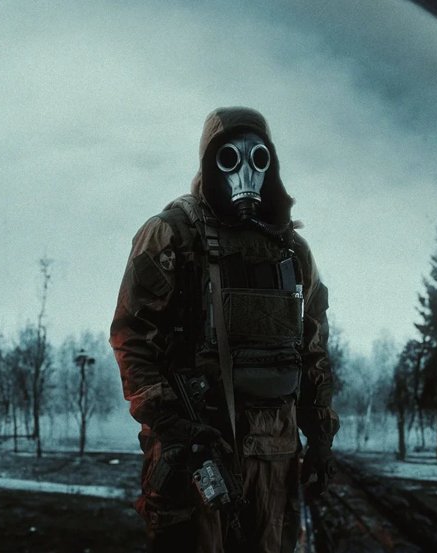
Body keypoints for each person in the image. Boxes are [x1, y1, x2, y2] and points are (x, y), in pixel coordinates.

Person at [110, 107, 339, 553]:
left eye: (259, 157)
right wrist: (174, 426)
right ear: (209, 162)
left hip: (274, 456)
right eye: (229, 157)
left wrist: (321, 435)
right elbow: (132, 338)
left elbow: (312, 351)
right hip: (198, 453)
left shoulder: (292, 252)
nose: (246, 172)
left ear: (271, 163)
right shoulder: (172, 236)